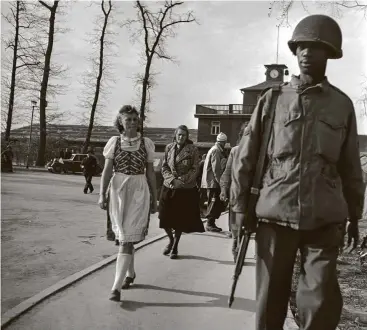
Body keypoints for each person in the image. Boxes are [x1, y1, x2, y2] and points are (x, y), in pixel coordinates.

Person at [230, 14, 365, 330]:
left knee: (319, 301)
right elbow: (246, 158)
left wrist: (355, 216)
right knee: (270, 302)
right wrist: (238, 211)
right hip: (276, 215)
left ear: (329, 54)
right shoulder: (273, 100)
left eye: (315, 48)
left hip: (325, 217)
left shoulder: (341, 105)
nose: (306, 53)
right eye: (301, 47)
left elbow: (350, 166)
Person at [98, 105, 157, 302]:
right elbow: (107, 171)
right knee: (124, 235)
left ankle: (115, 288)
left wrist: (155, 198)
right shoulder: (114, 142)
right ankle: (129, 274)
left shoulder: (146, 143)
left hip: (139, 190)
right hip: (118, 190)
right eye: (128, 119)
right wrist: (101, 194)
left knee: (127, 237)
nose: (132, 122)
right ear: (120, 122)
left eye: (135, 119)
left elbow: (150, 173)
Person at [158, 125, 205, 259]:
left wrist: (181, 180)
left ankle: (175, 246)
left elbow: (195, 169)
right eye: (179, 135)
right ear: (175, 135)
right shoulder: (169, 148)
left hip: (184, 189)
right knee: (163, 216)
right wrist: (172, 179)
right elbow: (164, 166)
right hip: (169, 186)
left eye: (183, 135)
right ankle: (171, 239)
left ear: (187, 137)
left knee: (179, 219)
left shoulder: (193, 150)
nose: (181, 137)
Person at [201, 132, 228, 232]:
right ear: (223, 142)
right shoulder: (216, 151)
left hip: (212, 181)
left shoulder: (214, 150)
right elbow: (216, 169)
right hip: (213, 182)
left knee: (214, 202)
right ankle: (209, 223)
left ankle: (211, 223)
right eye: (224, 143)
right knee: (213, 202)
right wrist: (221, 183)